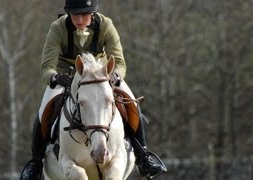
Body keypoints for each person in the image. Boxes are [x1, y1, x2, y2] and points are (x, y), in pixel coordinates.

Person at [20, 0, 166, 179]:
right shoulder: (58, 28)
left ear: (93, 13)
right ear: (68, 13)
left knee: (131, 101)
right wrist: (55, 77)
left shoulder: (106, 25)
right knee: (44, 110)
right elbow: (46, 66)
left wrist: (116, 76)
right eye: (75, 14)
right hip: (68, 76)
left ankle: (143, 156)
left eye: (84, 14)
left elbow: (119, 62)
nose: (80, 19)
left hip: (100, 74)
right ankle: (36, 163)